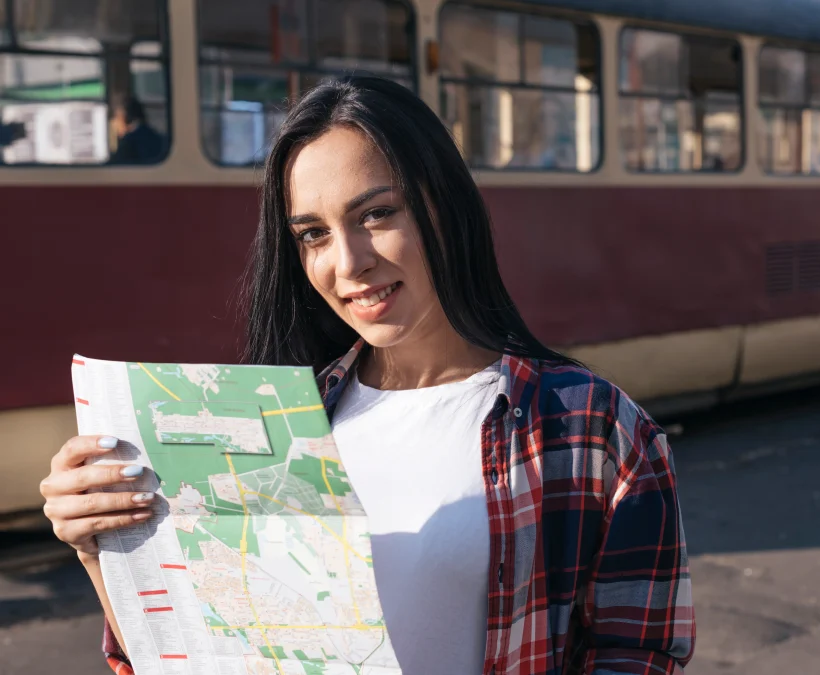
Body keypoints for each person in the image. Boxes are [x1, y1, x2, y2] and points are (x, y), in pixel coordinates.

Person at [39, 76, 694, 675]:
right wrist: (100, 548)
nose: (348, 263)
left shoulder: (592, 428)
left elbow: (639, 655)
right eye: (314, 234)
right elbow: (190, 659)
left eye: (376, 214)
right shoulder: (271, 428)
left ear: (445, 207)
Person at [110, 97, 165, 164]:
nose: (114, 124)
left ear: (125, 117)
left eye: (116, 118)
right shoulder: (158, 137)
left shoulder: (128, 143)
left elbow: (113, 165)